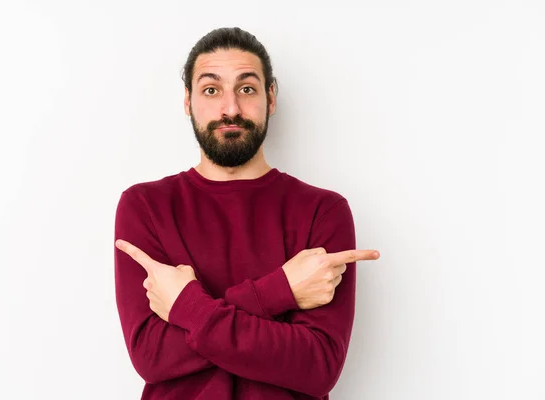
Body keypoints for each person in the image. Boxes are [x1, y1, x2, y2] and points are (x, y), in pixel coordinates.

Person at [113, 27, 380, 400]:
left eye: (247, 88)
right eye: (211, 90)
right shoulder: (145, 207)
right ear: (188, 101)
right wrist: (280, 292)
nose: (231, 108)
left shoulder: (323, 211)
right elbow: (152, 356)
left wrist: (187, 308)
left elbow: (318, 367)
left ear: (271, 98)